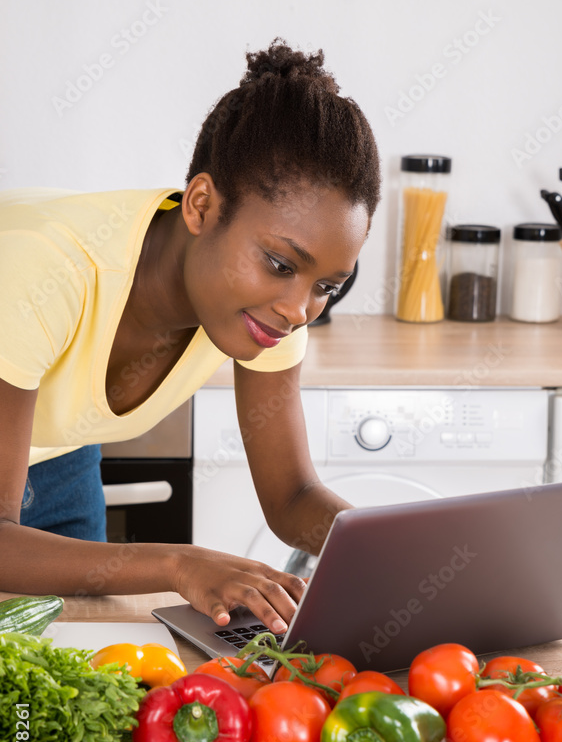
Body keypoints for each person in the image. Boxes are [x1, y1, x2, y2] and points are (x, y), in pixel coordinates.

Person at [0, 39, 381, 633]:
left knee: (69, 661)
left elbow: (292, 496)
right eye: (282, 264)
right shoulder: (42, 271)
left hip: (58, 455)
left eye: (327, 286)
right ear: (201, 205)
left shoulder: (269, 308)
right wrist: (183, 564)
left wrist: (393, 552)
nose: (299, 309)